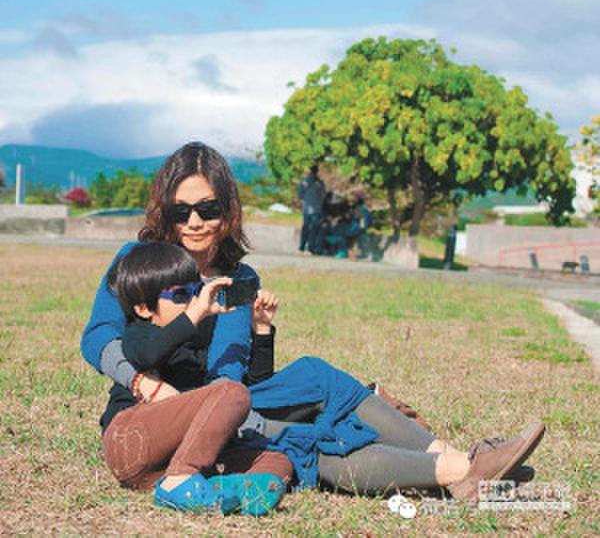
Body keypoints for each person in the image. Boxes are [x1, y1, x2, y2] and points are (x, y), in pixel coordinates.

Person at [82, 142, 545, 502]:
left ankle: (458, 461)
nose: (195, 222)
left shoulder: (239, 279)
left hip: (221, 402)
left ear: (228, 210)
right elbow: (99, 336)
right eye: (181, 211)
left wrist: (261, 335)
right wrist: (142, 382)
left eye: (208, 209)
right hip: (160, 413)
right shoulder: (140, 262)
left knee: (314, 380)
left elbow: (230, 374)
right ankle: (465, 469)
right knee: (306, 432)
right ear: (165, 211)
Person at [102, 241, 291, 515]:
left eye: (195, 293)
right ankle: (180, 480)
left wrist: (261, 330)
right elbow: (146, 356)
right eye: (181, 296)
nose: (194, 302)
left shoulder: (198, 341)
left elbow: (255, 389)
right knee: (231, 392)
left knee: (276, 459)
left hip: (166, 462)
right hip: (129, 441)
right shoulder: (140, 333)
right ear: (144, 308)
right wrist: (195, 314)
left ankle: (223, 491)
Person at [297, 164, 326, 254]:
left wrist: (306, 200)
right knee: (313, 229)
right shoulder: (320, 183)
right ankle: (310, 248)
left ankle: (301, 247)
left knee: (305, 227)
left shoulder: (304, 181)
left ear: (309, 171)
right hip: (316, 209)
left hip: (307, 208)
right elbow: (323, 195)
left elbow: (300, 195)